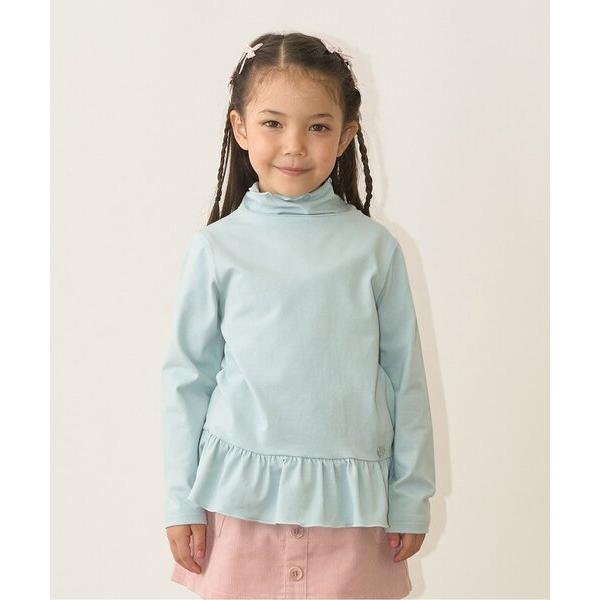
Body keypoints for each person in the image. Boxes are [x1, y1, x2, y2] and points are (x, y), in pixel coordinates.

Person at [160, 31, 436, 599]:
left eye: (317, 127)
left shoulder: (374, 249)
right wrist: (181, 499)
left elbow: (404, 379)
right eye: (272, 123)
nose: (294, 146)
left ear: (346, 135)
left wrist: (410, 495)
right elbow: (187, 379)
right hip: (237, 508)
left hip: (353, 512)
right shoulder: (216, 248)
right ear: (240, 128)